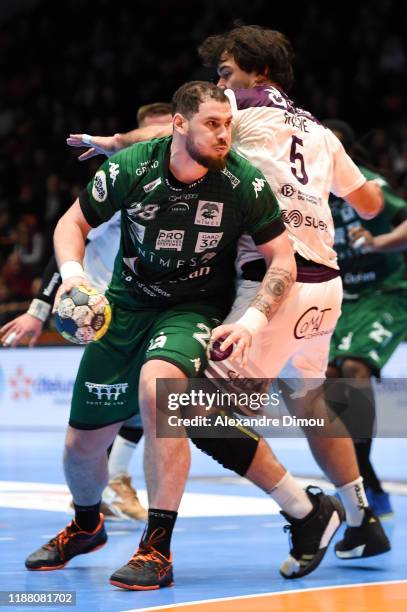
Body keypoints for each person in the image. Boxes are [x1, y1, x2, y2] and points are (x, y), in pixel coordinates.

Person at [67, 25, 390, 571]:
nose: (221, 81)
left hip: (275, 283)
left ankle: (306, 510)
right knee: (311, 400)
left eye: (225, 71)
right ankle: (363, 520)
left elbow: (164, 130)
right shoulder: (319, 131)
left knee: (185, 407)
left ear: (255, 72)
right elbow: (373, 203)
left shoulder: (237, 112)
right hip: (327, 288)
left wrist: (112, 142)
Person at [26, 81, 344, 591]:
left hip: (194, 308)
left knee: (162, 394)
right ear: (179, 124)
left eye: (228, 125)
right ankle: (87, 526)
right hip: (124, 307)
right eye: (213, 125)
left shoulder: (243, 182)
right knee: (82, 446)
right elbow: (73, 223)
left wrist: (251, 321)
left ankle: (157, 548)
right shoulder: (133, 168)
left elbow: (281, 259)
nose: (224, 136)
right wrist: (75, 275)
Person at [0, 103, 172, 522]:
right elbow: (67, 240)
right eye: (146, 137)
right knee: (131, 400)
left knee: (145, 398)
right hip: (99, 307)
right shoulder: (116, 185)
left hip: (149, 301)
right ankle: (106, 486)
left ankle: (110, 482)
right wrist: (39, 311)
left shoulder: (184, 190)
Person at [323, 119, 407, 519]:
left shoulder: (369, 186)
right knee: (329, 377)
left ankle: (364, 486)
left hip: (384, 292)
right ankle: (364, 484)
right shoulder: (306, 194)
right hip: (339, 298)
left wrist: (380, 241)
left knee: (354, 369)